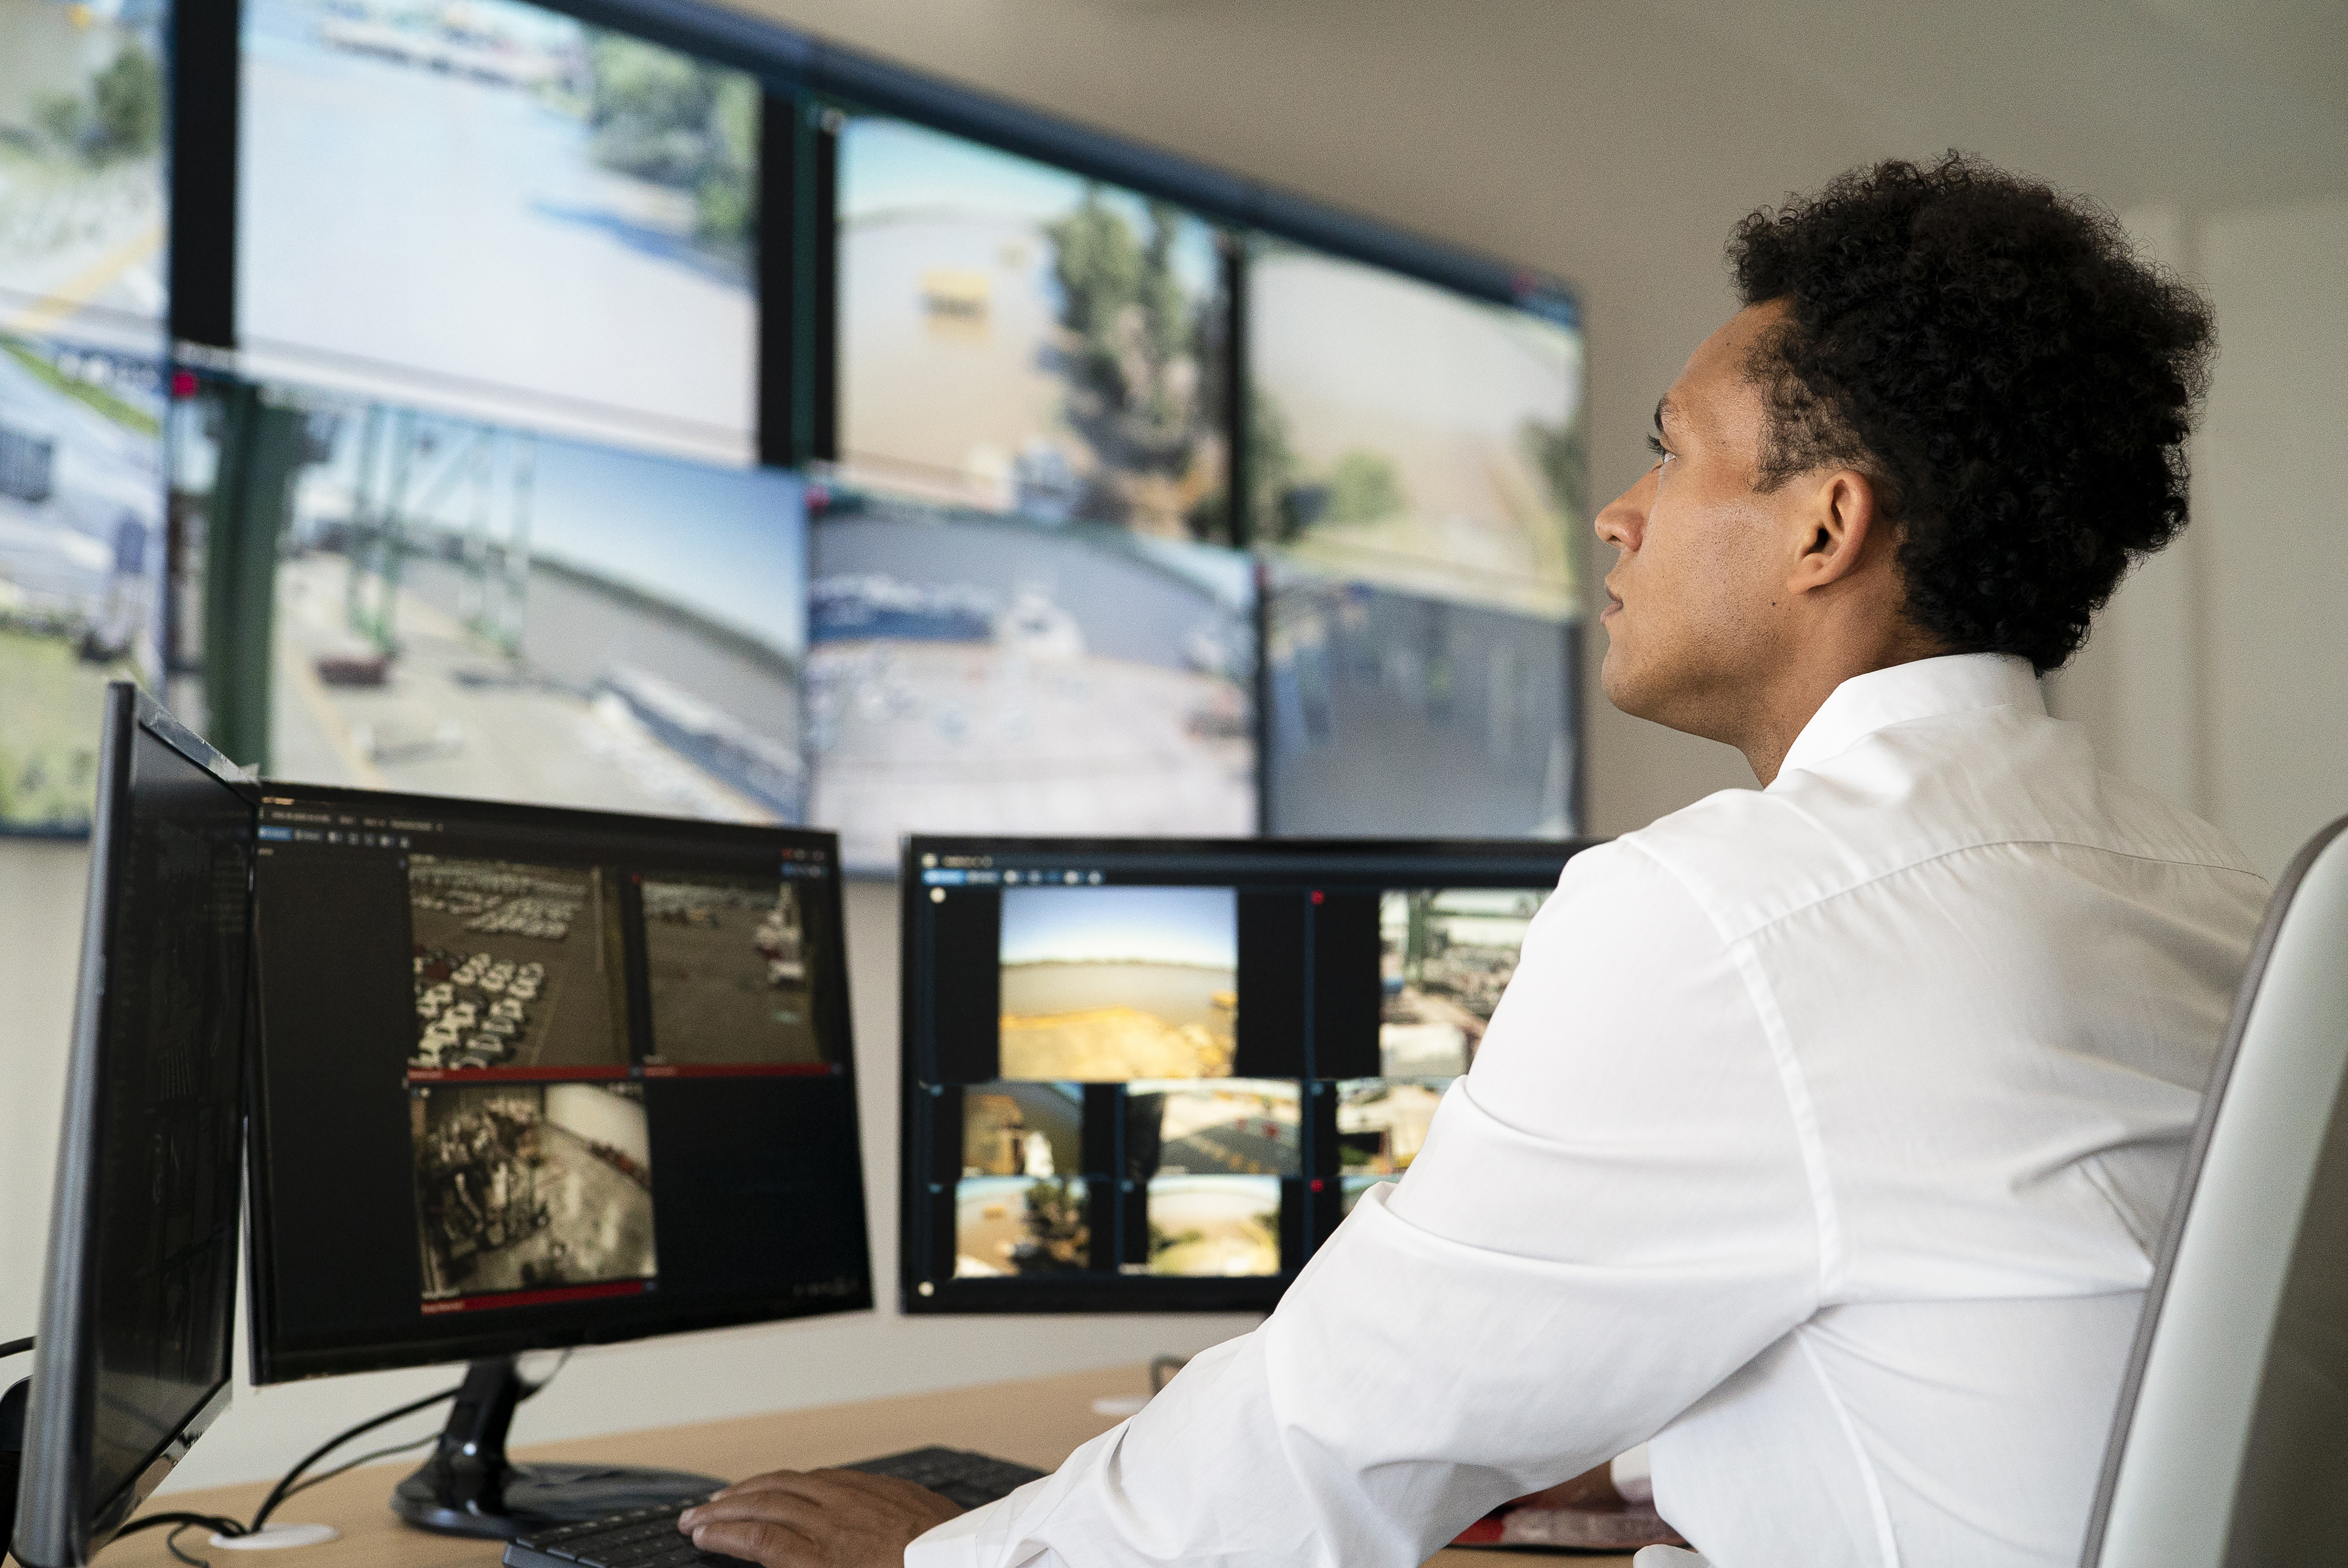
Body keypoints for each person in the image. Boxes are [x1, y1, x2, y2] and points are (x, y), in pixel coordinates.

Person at [677, 155, 2269, 1568]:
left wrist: (948, 1556)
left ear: (1823, 528)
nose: (1614, 515)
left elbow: (1327, 1442)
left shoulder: (1735, 915)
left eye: (1672, 452)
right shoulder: (2208, 889)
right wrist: (1676, 1448)